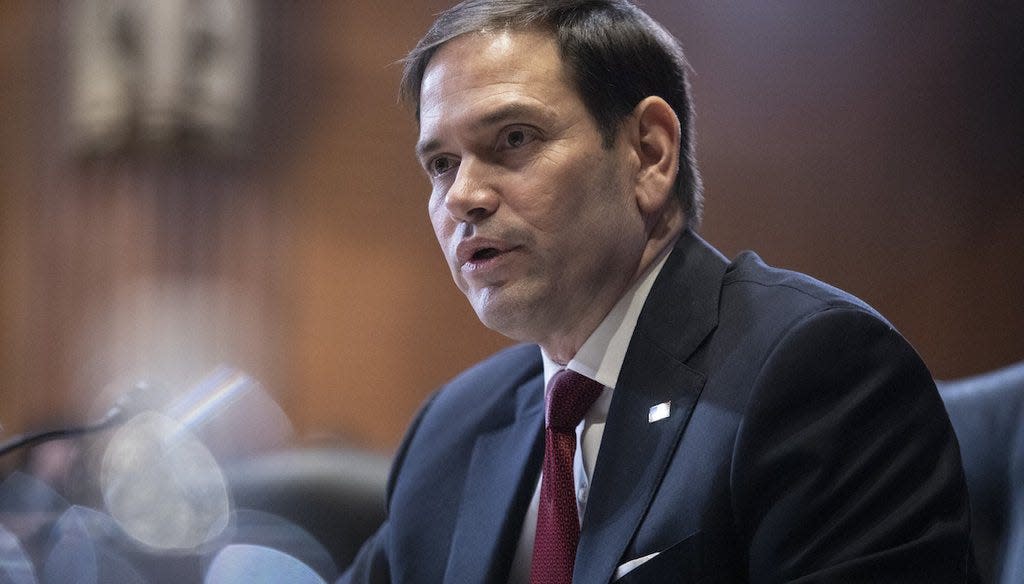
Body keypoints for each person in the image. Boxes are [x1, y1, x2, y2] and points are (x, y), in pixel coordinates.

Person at [340, 1, 977, 582]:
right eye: (441, 164)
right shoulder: (453, 429)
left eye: (513, 140)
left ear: (648, 153)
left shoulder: (819, 375)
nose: (462, 198)